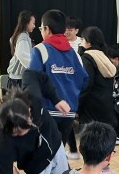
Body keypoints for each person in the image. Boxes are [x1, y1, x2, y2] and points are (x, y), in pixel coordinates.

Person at [28, 9, 88, 162]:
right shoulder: (74, 53)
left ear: (47, 29)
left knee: (43, 158)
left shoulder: (40, 50)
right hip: (68, 113)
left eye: (41, 28)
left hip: (46, 112)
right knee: (57, 154)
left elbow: (32, 81)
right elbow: (84, 80)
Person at [79, 26, 116, 174]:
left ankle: (91, 170)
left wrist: (77, 105)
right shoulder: (104, 56)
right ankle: (105, 167)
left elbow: (86, 85)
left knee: (90, 139)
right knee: (102, 137)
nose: (81, 42)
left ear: (88, 42)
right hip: (105, 104)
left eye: (83, 39)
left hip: (91, 104)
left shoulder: (88, 57)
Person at [63, 15, 83, 158]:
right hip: (65, 84)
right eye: (65, 29)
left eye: (70, 29)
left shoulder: (82, 43)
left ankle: (75, 150)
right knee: (66, 117)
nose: (67, 32)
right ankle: (73, 149)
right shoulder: (61, 42)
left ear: (76, 30)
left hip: (78, 84)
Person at [7, 10, 35, 89]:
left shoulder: (21, 35)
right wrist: (36, 67)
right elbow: (23, 56)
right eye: (33, 23)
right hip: (19, 80)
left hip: (16, 78)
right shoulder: (23, 37)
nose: (34, 26)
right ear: (26, 23)